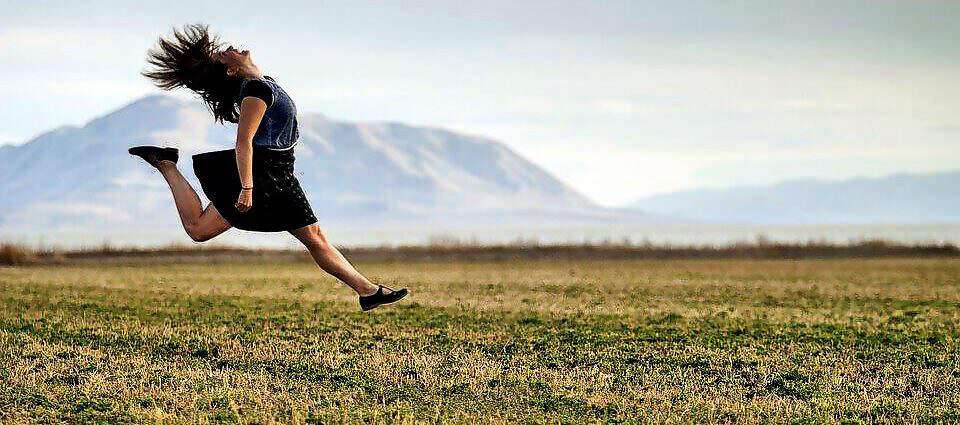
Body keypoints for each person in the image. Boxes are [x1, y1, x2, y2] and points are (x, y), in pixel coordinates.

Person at [129, 24, 407, 311]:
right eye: (224, 55)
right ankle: (368, 291)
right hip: (266, 175)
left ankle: (165, 164)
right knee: (313, 237)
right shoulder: (256, 90)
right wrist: (247, 189)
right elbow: (244, 143)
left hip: (275, 171)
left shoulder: (262, 84)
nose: (230, 49)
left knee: (201, 229)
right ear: (231, 70)